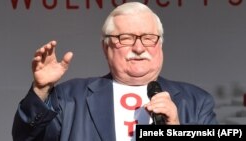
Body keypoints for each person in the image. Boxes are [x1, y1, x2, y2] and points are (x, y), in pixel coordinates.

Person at [12, 2, 218, 141]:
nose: (139, 48)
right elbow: (25, 138)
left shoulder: (196, 102)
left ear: (160, 45)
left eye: (148, 38)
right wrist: (41, 90)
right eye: (126, 38)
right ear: (106, 47)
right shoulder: (70, 97)